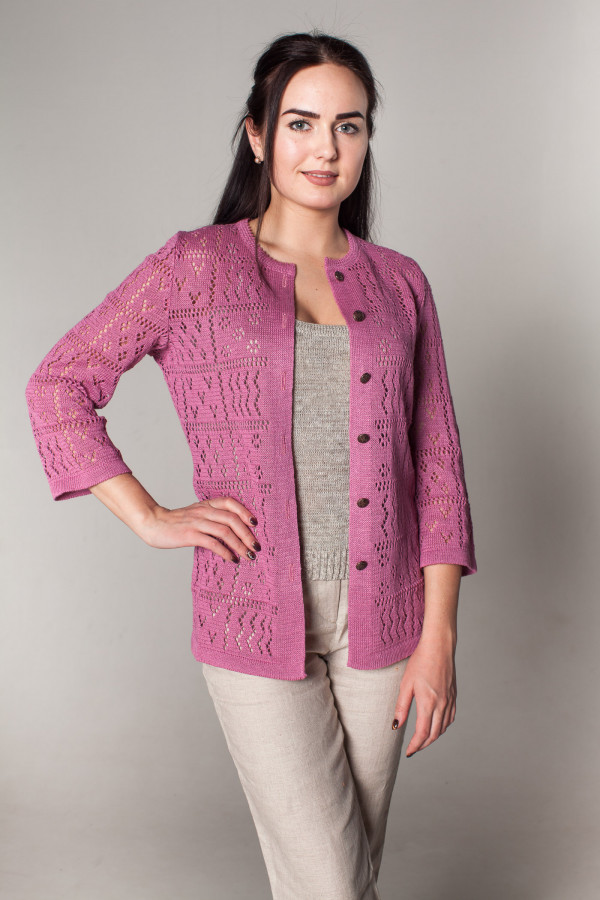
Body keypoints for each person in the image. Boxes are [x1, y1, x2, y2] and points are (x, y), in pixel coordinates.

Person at [25, 29, 477, 900]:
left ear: (367, 141)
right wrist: (151, 517)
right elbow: (59, 385)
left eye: (349, 125)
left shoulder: (400, 283)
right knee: (330, 882)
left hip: (388, 618)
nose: (326, 147)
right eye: (301, 123)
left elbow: (439, 463)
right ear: (259, 135)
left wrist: (440, 637)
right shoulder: (194, 268)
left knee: (345, 875)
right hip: (252, 616)